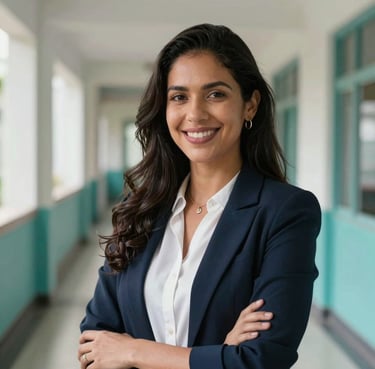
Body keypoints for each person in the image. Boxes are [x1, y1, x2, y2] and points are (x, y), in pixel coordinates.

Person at [78, 23, 321, 369]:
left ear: (250, 105)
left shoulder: (285, 212)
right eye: (179, 96)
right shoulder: (141, 209)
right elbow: (93, 346)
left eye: (215, 94)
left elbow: (262, 359)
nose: (195, 114)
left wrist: (134, 351)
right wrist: (220, 353)